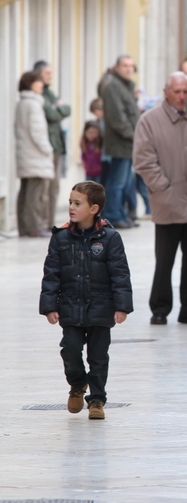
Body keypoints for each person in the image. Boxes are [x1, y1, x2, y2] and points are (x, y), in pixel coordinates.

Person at [39, 181, 133, 420]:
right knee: (70, 349)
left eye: (77, 203)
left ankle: (97, 399)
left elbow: (120, 274)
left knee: (98, 356)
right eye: (70, 202)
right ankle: (77, 384)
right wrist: (49, 306)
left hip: (101, 306)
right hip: (70, 306)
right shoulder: (60, 238)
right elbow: (51, 274)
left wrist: (122, 306)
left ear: (94, 208)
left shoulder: (110, 238)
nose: (71, 207)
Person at [133, 72, 187, 325]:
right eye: (177, 91)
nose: (181, 96)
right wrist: (163, 188)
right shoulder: (149, 121)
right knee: (164, 260)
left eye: (185, 91)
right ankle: (160, 308)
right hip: (167, 203)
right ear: (166, 92)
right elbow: (143, 160)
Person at [101, 55, 141, 229]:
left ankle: (121, 214)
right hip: (120, 143)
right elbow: (117, 118)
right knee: (117, 183)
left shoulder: (125, 86)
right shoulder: (113, 86)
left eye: (131, 66)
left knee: (124, 183)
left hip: (129, 144)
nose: (129, 69)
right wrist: (134, 135)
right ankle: (113, 215)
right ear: (117, 67)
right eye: (125, 65)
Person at [15, 71, 55, 238]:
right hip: (35, 155)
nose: (42, 85)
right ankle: (35, 227)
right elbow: (37, 132)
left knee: (25, 192)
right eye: (38, 82)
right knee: (35, 194)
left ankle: (24, 227)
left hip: (27, 154)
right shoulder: (33, 104)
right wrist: (48, 149)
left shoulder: (23, 103)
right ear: (30, 84)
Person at [33, 60, 71, 229]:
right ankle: (42, 221)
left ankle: (49, 222)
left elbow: (67, 109)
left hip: (57, 144)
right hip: (46, 145)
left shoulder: (49, 93)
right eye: (47, 73)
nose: (50, 76)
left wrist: (58, 109)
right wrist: (57, 109)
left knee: (54, 187)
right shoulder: (38, 95)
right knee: (45, 188)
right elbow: (52, 114)